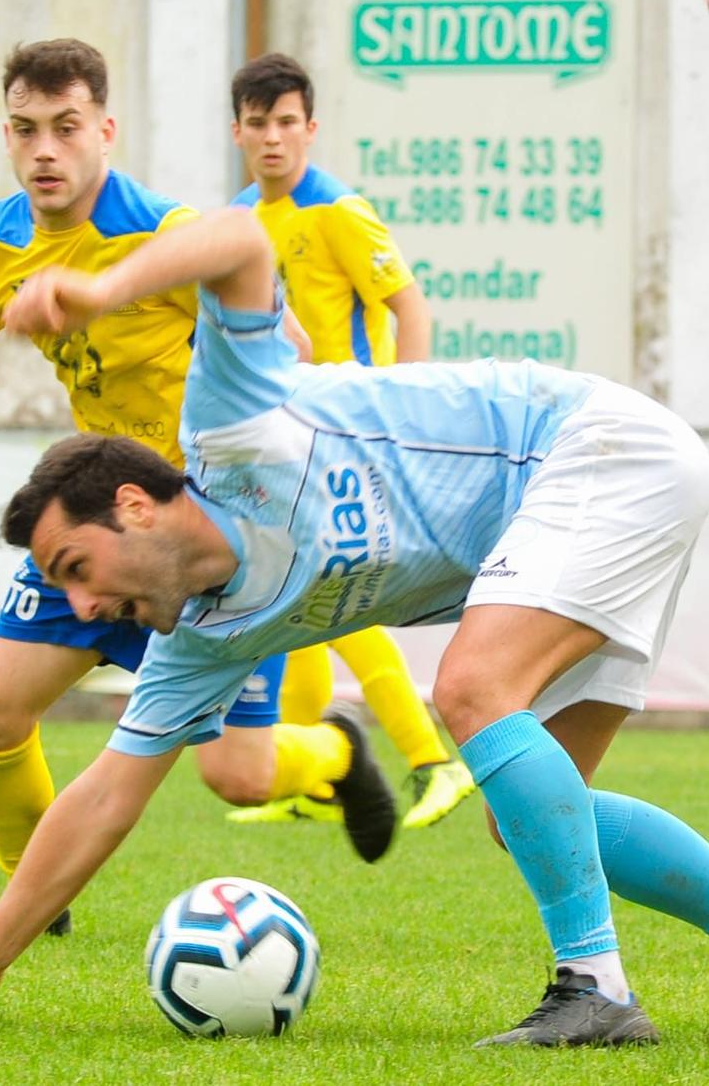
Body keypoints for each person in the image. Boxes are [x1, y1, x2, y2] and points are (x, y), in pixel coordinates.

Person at [0, 205, 709, 1047]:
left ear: (135, 505)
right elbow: (100, 800)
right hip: (595, 497)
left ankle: (596, 987)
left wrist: (99, 289)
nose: (83, 608)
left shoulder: (228, 424)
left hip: (595, 448)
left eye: (76, 570)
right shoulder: (199, 637)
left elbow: (234, 242)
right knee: (522, 807)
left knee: (470, 691)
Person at [0, 40, 397, 937]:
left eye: (66, 127)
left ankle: (334, 750)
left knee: (236, 773)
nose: (46, 150)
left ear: (104, 130)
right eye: (27, 130)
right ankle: (33, 901)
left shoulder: (163, 232)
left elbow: (291, 349)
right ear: (7, 136)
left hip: (198, 531)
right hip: (92, 514)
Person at [219, 52, 475, 832]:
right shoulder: (238, 218)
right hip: (280, 434)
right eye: (258, 123)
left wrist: (410, 408)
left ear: (311, 127)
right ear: (238, 132)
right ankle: (315, 780)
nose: (273, 138)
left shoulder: (338, 208)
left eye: (287, 122)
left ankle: (435, 759)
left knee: (333, 596)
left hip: (350, 430)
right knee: (296, 599)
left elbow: (409, 304)